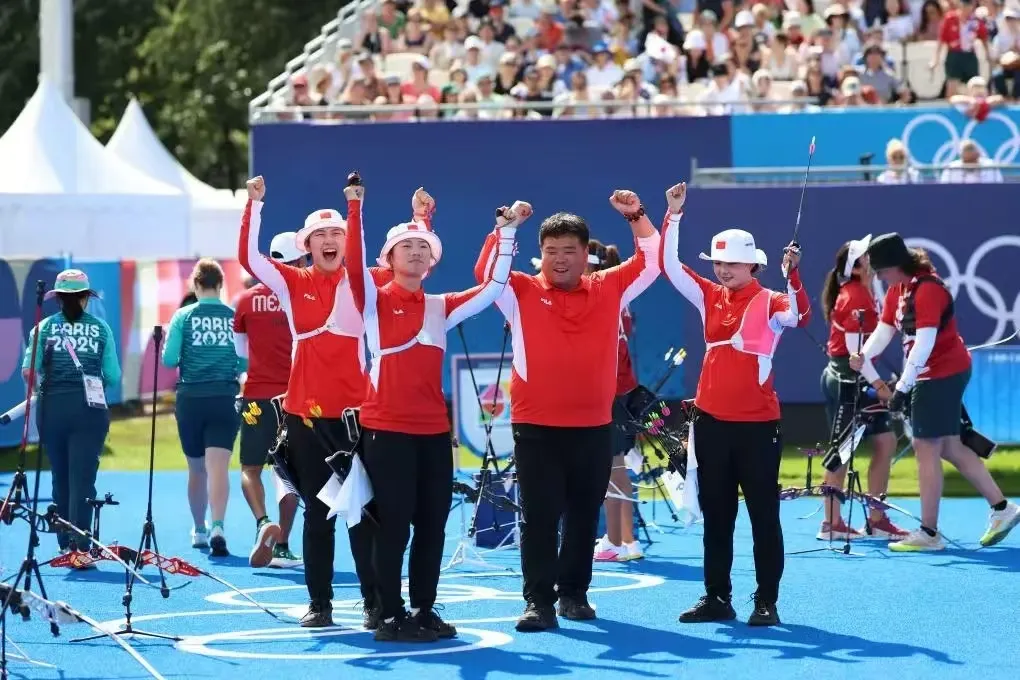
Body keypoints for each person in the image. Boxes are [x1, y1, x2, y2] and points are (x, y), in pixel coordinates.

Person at [345, 173, 530, 642]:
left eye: (423, 248)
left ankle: (423, 609)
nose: (415, 251)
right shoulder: (371, 299)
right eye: (406, 247)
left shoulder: (440, 306)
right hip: (385, 429)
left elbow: (492, 288)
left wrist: (506, 233)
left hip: (432, 434)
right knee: (392, 528)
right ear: (387, 259)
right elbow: (350, 267)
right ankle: (387, 615)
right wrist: (355, 207)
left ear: (431, 261)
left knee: (431, 526)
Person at [472, 186, 662, 632]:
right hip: (535, 428)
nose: (560, 259)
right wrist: (505, 230)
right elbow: (486, 273)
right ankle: (538, 602)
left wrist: (637, 216)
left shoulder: (610, 287)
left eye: (569, 251)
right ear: (539, 253)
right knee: (539, 517)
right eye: (552, 250)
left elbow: (653, 261)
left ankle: (574, 594)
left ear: (586, 255)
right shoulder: (516, 289)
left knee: (582, 516)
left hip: (593, 427)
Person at [239, 175, 392, 628]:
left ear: (349, 243)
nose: (329, 242)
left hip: (355, 420)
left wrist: (415, 219)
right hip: (304, 418)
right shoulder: (290, 281)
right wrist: (255, 206)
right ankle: (320, 605)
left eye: (337, 235)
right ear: (307, 245)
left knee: (364, 516)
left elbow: (411, 261)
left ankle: (373, 604)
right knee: (318, 516)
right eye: (320, 236)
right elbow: (249, 256)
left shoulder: (366, 281)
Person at [658, 182, 810, 627]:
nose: (723, 270)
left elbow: (799, 316)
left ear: (753, 265)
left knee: (764, 515)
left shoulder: (770, 299)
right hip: (710, 423)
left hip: (758, 425)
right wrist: (674, 215)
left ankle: (766, 601)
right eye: (719, 262)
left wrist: (793, 275)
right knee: (717, 515)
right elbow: (669, 265)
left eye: (732, 263)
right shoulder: (707, 294)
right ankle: (716, 597)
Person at [850, 233, 1020, 551]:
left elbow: (924, 344)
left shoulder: (927, 290)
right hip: (931, 375)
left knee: (925, 447)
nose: (880, 278)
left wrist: (901, 388)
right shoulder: (898, 290)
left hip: (940, 374)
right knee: (950, 447)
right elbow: (885, 329)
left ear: (896, 266)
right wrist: (864, 356)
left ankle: (929, 533)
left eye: (882, 271)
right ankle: (1003, 509)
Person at [23, 270, 121, 558]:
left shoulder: (42, 328)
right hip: (89, 409)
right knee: (84, 476)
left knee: (60, 473)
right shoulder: (101, 329)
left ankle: (64, 541)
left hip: (52, 406)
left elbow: (29, 371)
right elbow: (113, 376)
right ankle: (81, 543)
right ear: (85, 298)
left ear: (58, 299)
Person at [817, 235, 907, 541]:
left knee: (885, 443)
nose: (873, 258)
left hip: (857, 379)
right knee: (842, 453)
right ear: (857, 268)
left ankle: (877, 519)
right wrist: (881, 386)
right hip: (848, 380)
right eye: (867, 256)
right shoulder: (854, 296)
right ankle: (831, 523)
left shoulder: (863, 292)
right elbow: (858, 358)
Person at [232, 231, 306, 569]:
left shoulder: (245, 301)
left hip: (256, 398)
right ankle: (283, 545)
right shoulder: (305, 298)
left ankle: (263, 523)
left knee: (250, 468)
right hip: (296, 398)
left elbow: (239, 355)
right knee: (288, 474)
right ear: (299, 260)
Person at [163, 259, 246, 557]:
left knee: (196, 469)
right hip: (224, 397)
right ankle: (219, 526)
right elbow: (244, 362)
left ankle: (199, 528)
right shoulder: (234, 317)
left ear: (196, 285)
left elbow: (170, 360)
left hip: (192, 399)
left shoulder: (183, 316)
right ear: (221, 285)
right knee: (219, 467)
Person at [591, 240, 644, 563]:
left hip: (609, 392)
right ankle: (627, 540)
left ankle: (615, 541)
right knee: (617, 465)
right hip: (620, 391)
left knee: (611, 465)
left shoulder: (602, 297)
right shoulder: (616, 298)